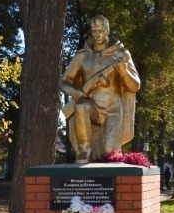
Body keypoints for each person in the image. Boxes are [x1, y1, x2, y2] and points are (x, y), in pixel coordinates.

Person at [59, 15, 141, 163]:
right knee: (81, 106)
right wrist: (76, 93)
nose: (97, 34)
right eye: (94, 31)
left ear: (107, 30)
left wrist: (123, 71)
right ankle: (84, 151)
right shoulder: (82, 56)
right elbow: (64, 81)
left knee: (110, 153)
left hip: (113, 108)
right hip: (91, 106)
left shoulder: (121, 54)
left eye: (100, 31)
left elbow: (134, 86)